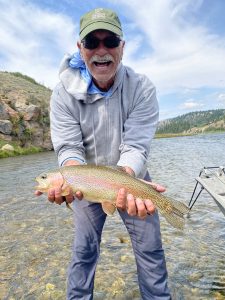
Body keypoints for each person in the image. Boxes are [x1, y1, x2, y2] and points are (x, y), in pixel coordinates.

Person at [36, 7, 171, 300]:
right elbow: (69, 148)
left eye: (110, 41)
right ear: (80, 48)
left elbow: (136, 146)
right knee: (83, 252)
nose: (101, 50)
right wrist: (70, 179)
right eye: (91, 42)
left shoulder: (142, 88)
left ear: (122, 47)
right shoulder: (62, 95)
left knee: (151, 250)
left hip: (131, 178)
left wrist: (125, 180)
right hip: (86, 184)